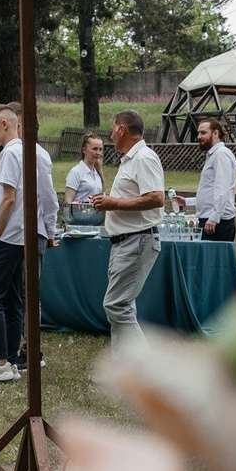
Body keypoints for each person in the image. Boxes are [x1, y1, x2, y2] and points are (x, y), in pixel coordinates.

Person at [0, 103, 58, 384]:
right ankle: (9, 360)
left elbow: (9, 199)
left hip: (8, 236)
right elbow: (43, 196)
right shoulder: (32, 151)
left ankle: (0, 361)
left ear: (6, 124)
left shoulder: (11, 153)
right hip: (23, 237)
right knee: (13, 300)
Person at [91, 109, 167, 348]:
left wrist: (115, 203)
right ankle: (123, 372)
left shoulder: (144, 157)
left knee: (115, 305)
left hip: (138, 240)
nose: (110, 137)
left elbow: (156, 198)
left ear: (122, 129)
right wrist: (109, 203)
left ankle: (147, 369)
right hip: (124, 241)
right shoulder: (131, 159)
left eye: (112, 130)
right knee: (123, 306)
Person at [194, 115, 236, 241]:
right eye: (198, 133)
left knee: (213, 260)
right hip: (210, 220)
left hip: (216, 223)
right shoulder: (213, 155)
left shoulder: (221, 154)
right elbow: (210, 192)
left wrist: (214, 218)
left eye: (203, 133)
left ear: (215, 133)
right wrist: (187, 202)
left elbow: (222, 189)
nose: (199, 137)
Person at [66, 133, 106, 219]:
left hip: (93, 222)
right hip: (78, 222)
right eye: (95, 149)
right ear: (84, 150)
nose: (98, 153)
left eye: (100, 149)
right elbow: (68, 202)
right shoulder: (76, 172)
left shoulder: (97, 174)